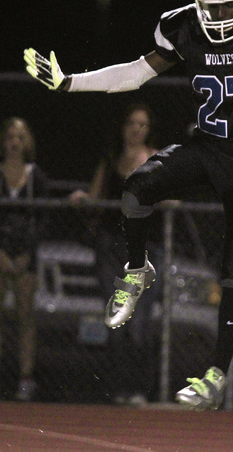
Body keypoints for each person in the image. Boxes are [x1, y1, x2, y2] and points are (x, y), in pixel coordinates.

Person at [24, 0, 233, 409]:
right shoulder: (183, 26)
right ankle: (137, 268)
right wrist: (69, 82)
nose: (220, 18)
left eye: (229, 8)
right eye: (211, 8)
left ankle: (217, 372)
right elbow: (136, 72)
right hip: (208, 146)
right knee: (135, 188)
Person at [69, 101, 160, 405]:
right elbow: (95, 197)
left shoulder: (156, 160)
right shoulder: (111, 160)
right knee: (116, 321)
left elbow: (169, 194)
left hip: (143, 251)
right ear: (123, 127)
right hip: (111, 247)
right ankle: (118, 389)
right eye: (132, 123)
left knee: (140, 323)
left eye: (143, 124)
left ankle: (139, 389)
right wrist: (83, 198)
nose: (137, 129)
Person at [0, 117, 49, 401]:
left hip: (24, 254)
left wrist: (26, 254)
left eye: (19, 137)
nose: (14, 142)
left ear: (26, 142)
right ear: (2, 142)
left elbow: (42, 220)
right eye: (9, 137)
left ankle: (25, 378)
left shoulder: (36, 176)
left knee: (25, 317)